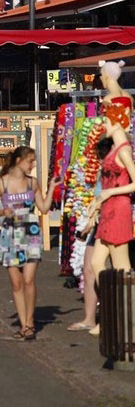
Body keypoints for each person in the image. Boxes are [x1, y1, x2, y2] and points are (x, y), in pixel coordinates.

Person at [0, 146, 61, 340]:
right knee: (17, 283)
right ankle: (23, 324)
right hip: (11, 234)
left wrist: (51, 188)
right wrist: (3, 212)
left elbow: (44, 208)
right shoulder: (2, 182)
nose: (33, 165)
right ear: (19, 160)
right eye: (30, 161)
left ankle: (29, 323)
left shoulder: (32, 183)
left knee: (28, 280)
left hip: (30, 231)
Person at [83, 103, 135, 335]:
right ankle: (112, 311)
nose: (103, 124)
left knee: (122, 267)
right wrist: (96, 205)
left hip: (119, 208)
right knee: (96, 264)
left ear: (116, 122)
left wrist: (109, 194)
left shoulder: (123, 150)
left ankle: (123, 317)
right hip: (108, 209)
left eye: (106, 120)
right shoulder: (115, 148)